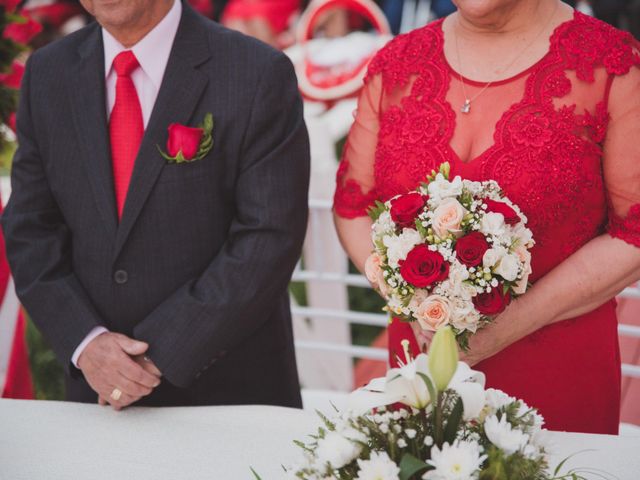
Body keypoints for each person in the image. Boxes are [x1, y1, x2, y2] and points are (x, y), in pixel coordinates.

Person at [333, 0, 640, 434]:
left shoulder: (612, 66)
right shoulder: (396, 64)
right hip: (422, 366)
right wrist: (412, 299)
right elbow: (352, 206)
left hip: (557, 370)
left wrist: (505, 326)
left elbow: (635, 231)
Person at [2, 0, 310, 409]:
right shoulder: (48, 72)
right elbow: (30, 227)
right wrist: (87, 344)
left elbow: (268, 237)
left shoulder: (255, 71)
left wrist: (155, 354)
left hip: (227, 396)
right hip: (95, 395)